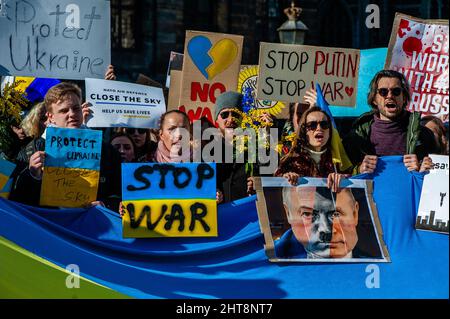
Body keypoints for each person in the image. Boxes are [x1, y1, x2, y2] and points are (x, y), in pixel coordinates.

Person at [10, 82, 122, 210]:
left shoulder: (106, 150)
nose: (72, 114)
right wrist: (32, 175)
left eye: (76, 108)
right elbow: (17, 202)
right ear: (50, 117)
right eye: (64, 110)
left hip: (91, 225)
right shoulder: (32, 150)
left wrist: (105, 204)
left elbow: (120, 194)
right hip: (50, 226)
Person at [343, 70, 437, 174]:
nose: (390, 96)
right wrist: (359, 170)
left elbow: (440, 174)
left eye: (396, 91)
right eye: (383, 92)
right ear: (374, 99)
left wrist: (422, 170)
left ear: (404, 97)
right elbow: (341, 173)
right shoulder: (357, 136)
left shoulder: (424, 135)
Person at [275, 106, 347, 192]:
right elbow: (275, 188)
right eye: (312, 125)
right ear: (303, 131)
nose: (319, 128)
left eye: (324, 125)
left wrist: (343, 180)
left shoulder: (338, 162)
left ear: (330, 131)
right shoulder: (290, 161)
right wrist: (286, 178)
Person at [276, 186, 360, 259]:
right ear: (288, 214)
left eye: (335, 214)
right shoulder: (271, 260)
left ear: (355, 213)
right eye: (308, 214)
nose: (325, 229)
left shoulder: (371, 260)